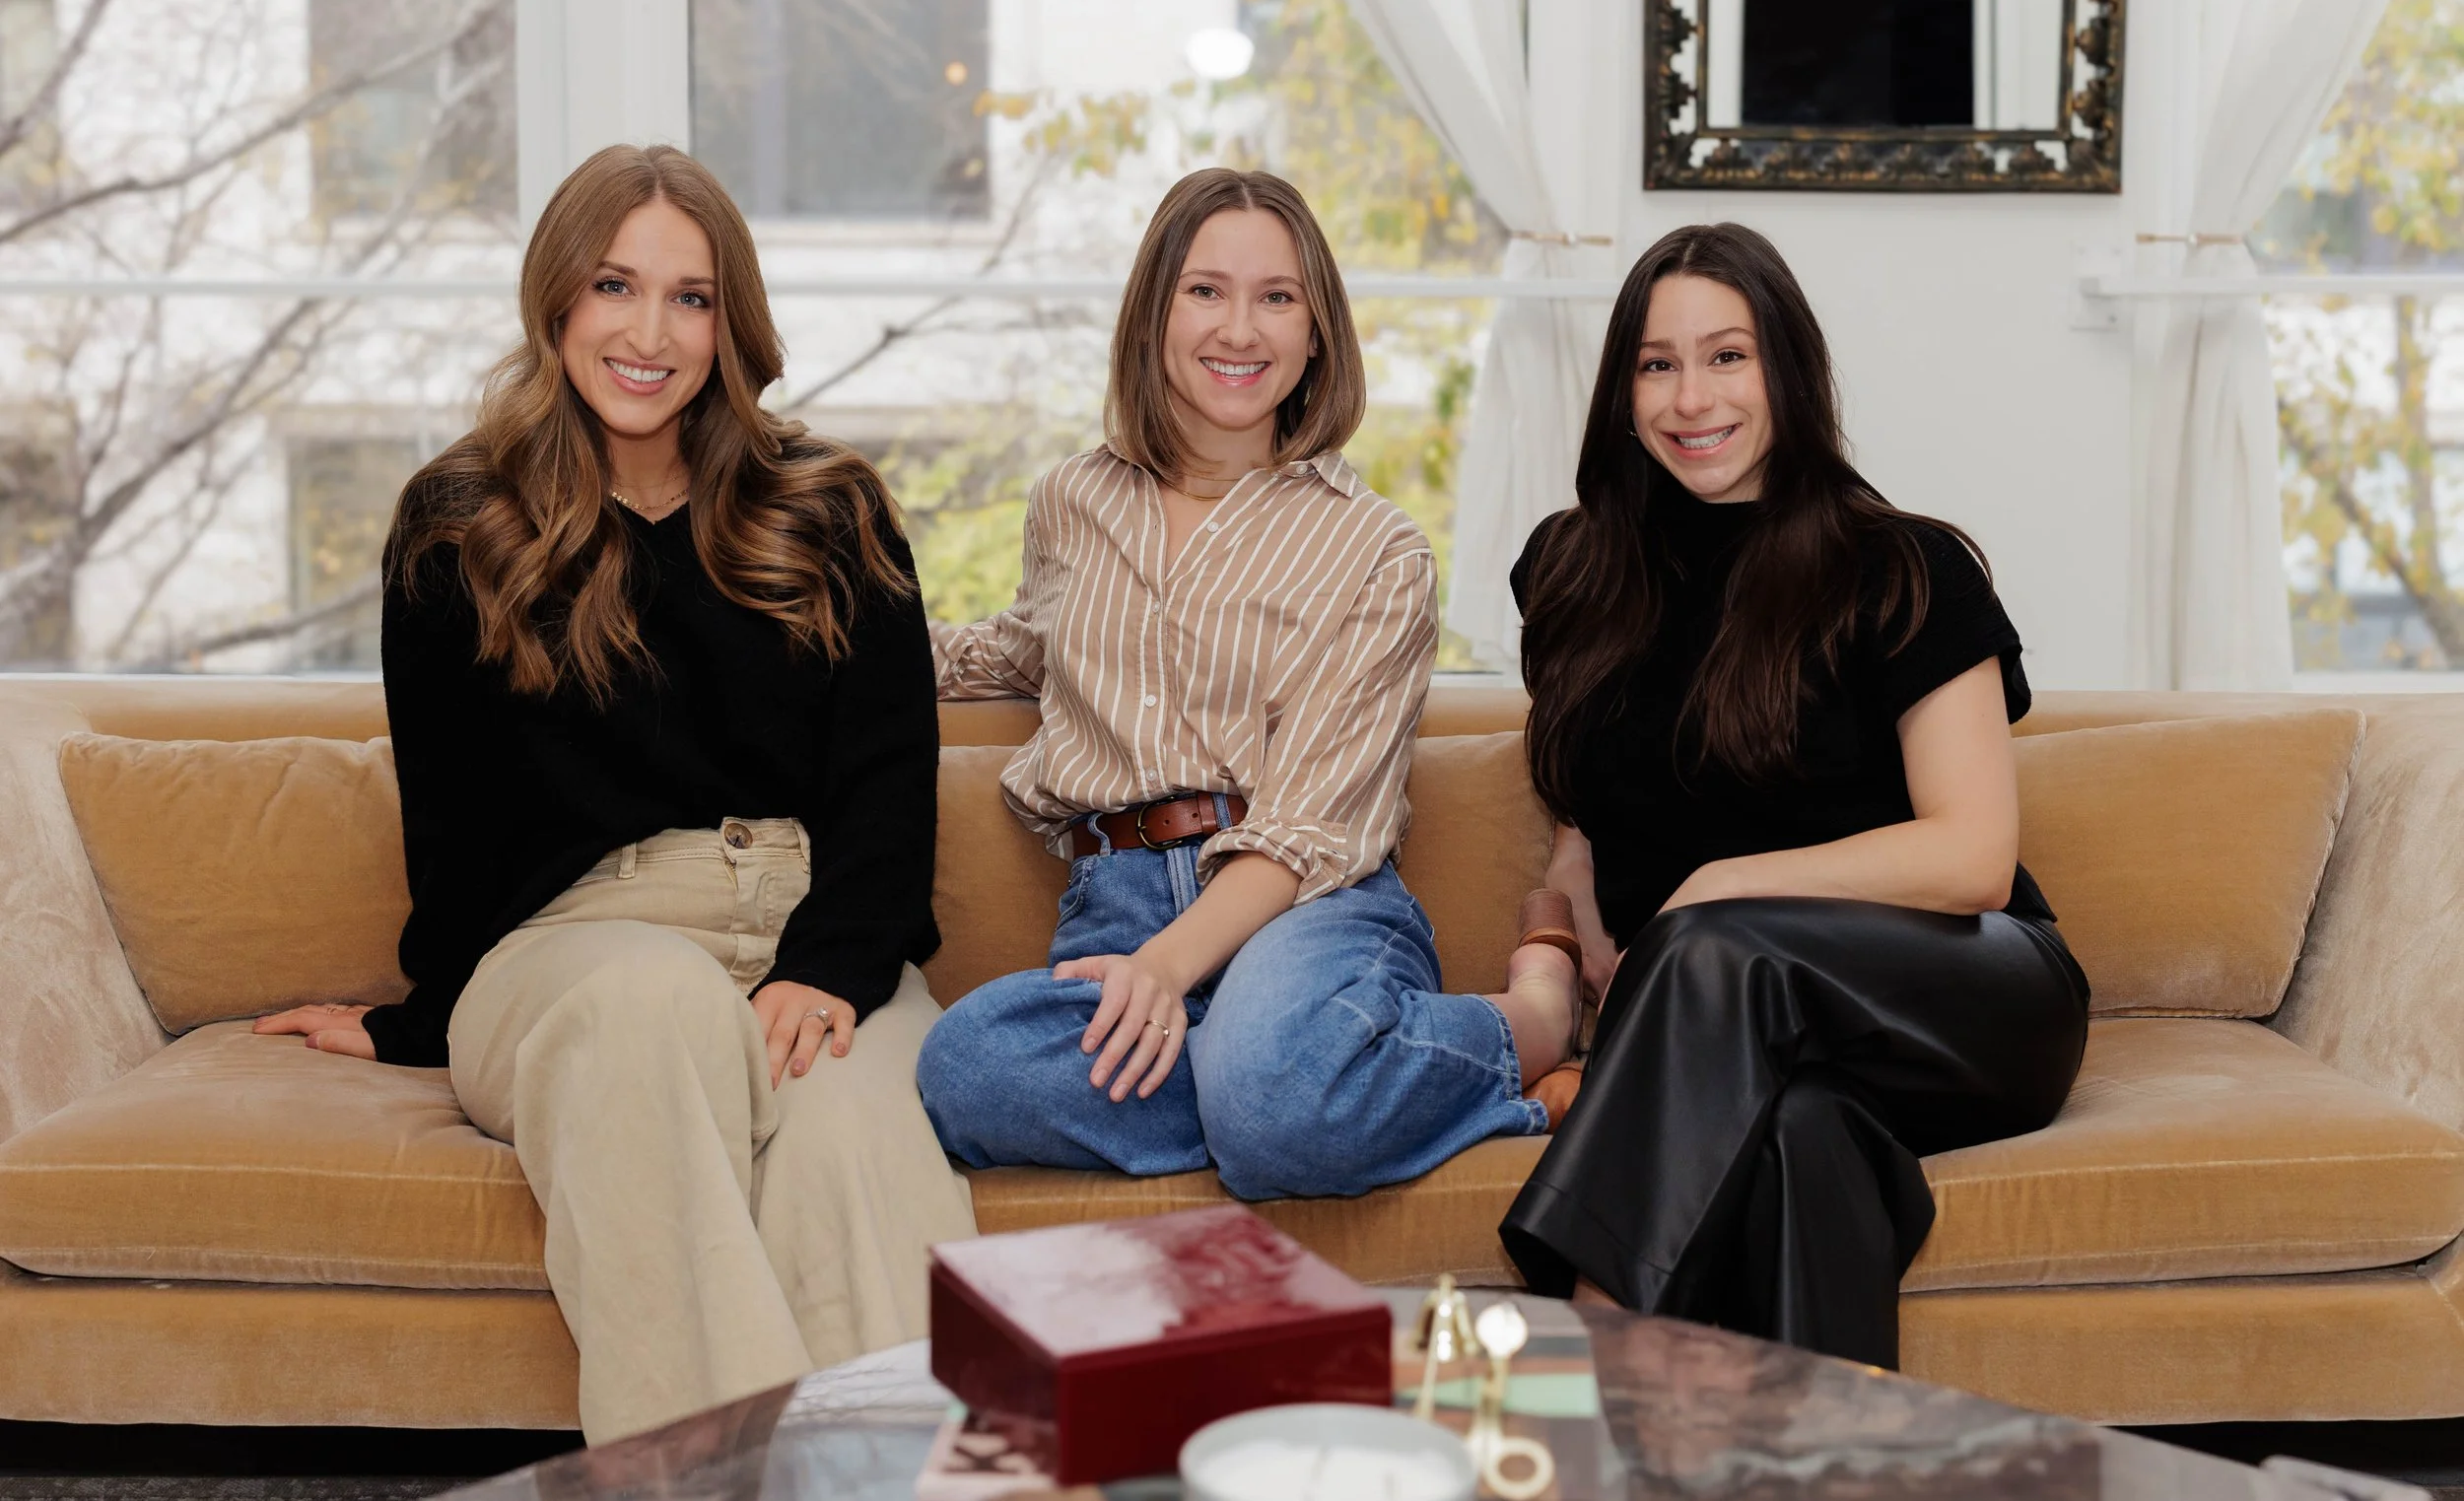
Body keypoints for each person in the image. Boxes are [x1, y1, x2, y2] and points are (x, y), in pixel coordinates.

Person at [253, 144, 974, 1443]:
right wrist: (430, 1021)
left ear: (729, 321)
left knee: (849, 1143)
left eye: (691, 297)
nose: (650, 332)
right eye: (614, 286)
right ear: (558, 303)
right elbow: (454, 820)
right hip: (579, 951)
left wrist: (834, 963)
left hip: (814, 934)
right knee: (647, 1010)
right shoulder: (460, 525)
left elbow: (886, 784)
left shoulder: (832, 510)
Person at [915, 168, 1579, 1200]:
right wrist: (843, 636)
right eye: (1205, 290)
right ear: (1154, 314)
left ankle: (1522, 1024)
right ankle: (1298, 1081)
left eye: (1278, 296)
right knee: (963, 1067)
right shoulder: (1071, 499)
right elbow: (1023, 648)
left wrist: (1171, 969)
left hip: (1303, 906)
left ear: (1317, 331)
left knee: (1268, 1089)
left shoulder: (1377, 550)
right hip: (1115, 904)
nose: (1241, 327)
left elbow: (1310, 826)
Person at [1497, 222, 2088, 1370]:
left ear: (1789, 370)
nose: (1690, 395)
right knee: (1805, 1143)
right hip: (1746, 1038)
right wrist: (1567, 909)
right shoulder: (1568, 572)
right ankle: (1827, 1452)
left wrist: (1714, 889)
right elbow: (1587, 796)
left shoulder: (1905, 565)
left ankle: (1581, 1352)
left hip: (1964, 995)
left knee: (1720, 943)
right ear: (1621, 390)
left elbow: (1969, 856)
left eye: (1728, 355)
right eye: (1656, 362)